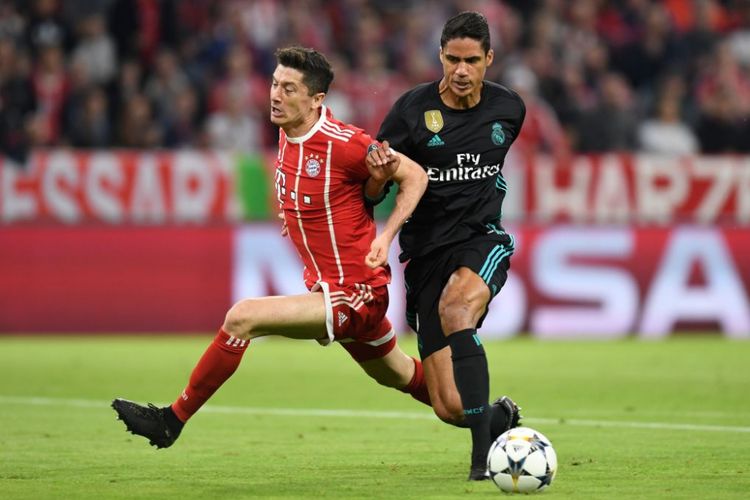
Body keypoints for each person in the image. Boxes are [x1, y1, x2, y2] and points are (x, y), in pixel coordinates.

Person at [111, 46, 430, 449]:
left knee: (243, 317)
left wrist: (386, 236)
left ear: (316, 100)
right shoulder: (286, 132)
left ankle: (171, 420)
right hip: (329, 286)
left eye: (290, 89)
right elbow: (329, 196)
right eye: (275, 84)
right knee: (401, 375)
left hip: (357, 292)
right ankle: (485, 417)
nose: (276, 95)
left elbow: (415, 176)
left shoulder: (346, 143)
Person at [367, 12, 525, 481]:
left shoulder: (509, 109)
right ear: (440, 56)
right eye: (453, 59)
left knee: (458, 309)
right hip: (425, 257)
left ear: (488, 59)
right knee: (450, 407)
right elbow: (372, 193)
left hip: (482, 241)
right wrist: (377, 175)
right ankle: (499, 418)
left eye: (471, 60)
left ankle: (483, 462)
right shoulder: (411, 112)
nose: (461, 70)